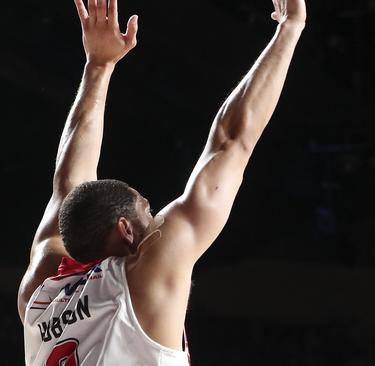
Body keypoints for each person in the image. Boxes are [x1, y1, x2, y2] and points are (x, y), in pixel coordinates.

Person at [18, 0, 306, 364]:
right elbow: (230, 142)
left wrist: (99, 66)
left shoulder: (39, 296)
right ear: (125, 228)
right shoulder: (147, 274)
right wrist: (291, 28)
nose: (153, 216)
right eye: (146, 208)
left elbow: (67, 186)